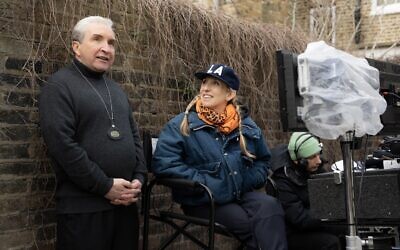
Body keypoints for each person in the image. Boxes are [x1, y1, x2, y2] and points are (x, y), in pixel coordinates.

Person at [152, 64, 288, 250]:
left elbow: (263, 161)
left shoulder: (246, 125)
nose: (205, 88)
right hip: (204, 200)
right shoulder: (181, 125)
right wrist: (208, 183)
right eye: (204, 82)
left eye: (215, 83)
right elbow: (165, 165)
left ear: (229, 94)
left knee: (271, 209)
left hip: (240, 193)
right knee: (253, 227)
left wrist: (245, 180)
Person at [39, 16, 147, 250]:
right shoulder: (59, 86)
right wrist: (105, 186)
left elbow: (134, 138)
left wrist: (139, 177)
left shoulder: (117, 91)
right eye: (97, 39)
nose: (106, 48)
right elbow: (63, 146)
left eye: (111, 42)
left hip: (125, 207)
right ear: (76, 47)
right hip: (83, 210)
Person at [268, 132, 345, 250]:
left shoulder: (315, 169)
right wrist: (328, 216)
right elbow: (299, 219)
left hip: (315, 221)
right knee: (331, 242)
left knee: (349, 229)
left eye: (318, 155)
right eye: (312, 157)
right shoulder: (283, 180)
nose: (318, 161)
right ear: (299, 160)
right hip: (294, 232)